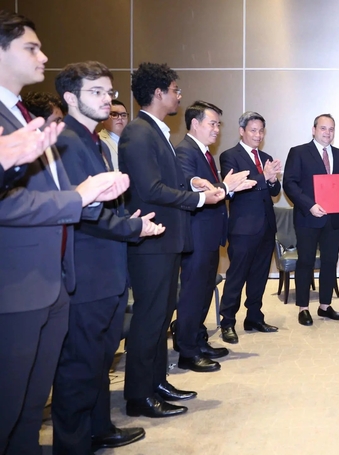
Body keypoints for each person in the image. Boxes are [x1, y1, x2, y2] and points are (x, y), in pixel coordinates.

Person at [0, 13, 128, 453]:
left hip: (57, 277)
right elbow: (19, 202)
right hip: (21, 282)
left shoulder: (24, 117)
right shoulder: (53, 132)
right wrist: (82, 198)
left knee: (31, 408)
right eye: (31, 48)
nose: (44, 56)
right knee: (24, 401)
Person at [52, 60, 165, 454]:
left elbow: (102, 205)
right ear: (70, 97)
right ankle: (73, 444)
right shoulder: (64, 141)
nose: (106, 99)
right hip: (86, 272)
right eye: (95, 92)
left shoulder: (96, 140)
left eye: (109, 92)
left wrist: (127, 220)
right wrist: (133, 228)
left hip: (109, 269)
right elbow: (80, 210)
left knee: (100, 361)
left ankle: (99, 428)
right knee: (79, 368)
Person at [118, 62, 225, 418]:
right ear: (158, 92)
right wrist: (195, 197)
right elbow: (148, 188)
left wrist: (190, 185)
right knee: (149, 319)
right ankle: (138, 395)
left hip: (166, 239)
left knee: (162, 316)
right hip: (150, 241)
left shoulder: (156, 131)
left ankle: (157, 382)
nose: (179, 95)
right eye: (175, 90)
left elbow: (168, 182)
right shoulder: (138, 132)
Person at [174, 101, 253, 369]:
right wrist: (225, 186)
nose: (217, 129)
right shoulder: (185, 152)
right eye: (212, 123)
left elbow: (215, 192)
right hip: (196, 235)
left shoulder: (204, 153)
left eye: (219, 124)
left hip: (208, 236)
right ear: (195, 124)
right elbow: (192, 193)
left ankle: (198, 340)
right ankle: (187, 351)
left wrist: (230, 189)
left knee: (205, 291)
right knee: (193, 294)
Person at [283, 113, 339, 326]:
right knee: (305, 262)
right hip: (308, 217)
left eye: (331, 129)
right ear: (314, 130)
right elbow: (290, 183)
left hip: (333, 220)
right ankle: (303, 308)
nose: (327, 133)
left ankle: (325, 305)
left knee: (330, 262)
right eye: (323, 128)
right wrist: (310, 205)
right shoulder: (299, 152)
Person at [218, 111, 281, 342]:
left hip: (266, 227)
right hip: (243, 229)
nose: (258, 134)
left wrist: (273, 180)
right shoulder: (229, 156)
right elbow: (238, 187)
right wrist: (265, 176)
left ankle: (254, 317)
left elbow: (274, 192)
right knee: (236, 277)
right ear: (241, 131)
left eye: (261, 130)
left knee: (259, 276)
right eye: (253, 130)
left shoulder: (265, 156)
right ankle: (228, 322)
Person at [98, 99, 128, 170]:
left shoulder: (134, 141)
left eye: (124, 115)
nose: (120, 118)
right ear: (103, 118)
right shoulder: (97, 141)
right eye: (114, 114)